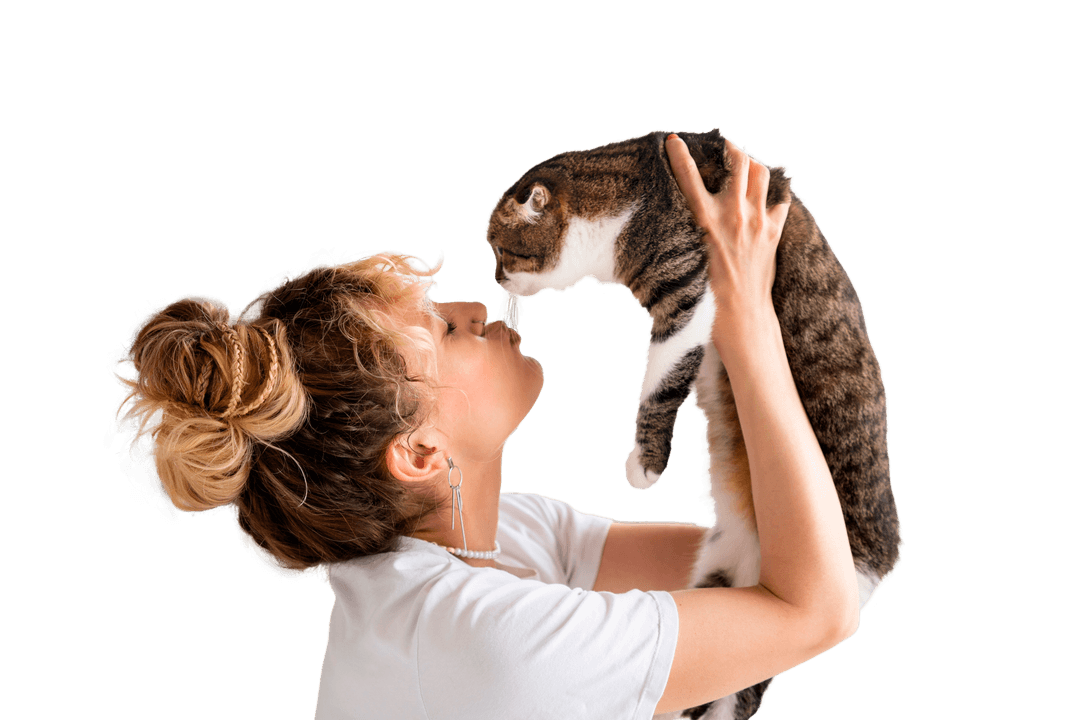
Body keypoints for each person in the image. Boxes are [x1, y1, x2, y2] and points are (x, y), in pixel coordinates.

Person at [108, 135, 859, 719]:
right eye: (441, 331)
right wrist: (745, 318)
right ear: (420, 452)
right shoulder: (479, 638)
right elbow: (816, 608)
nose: (473, 310)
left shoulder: (505, 540)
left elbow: (787, 565)